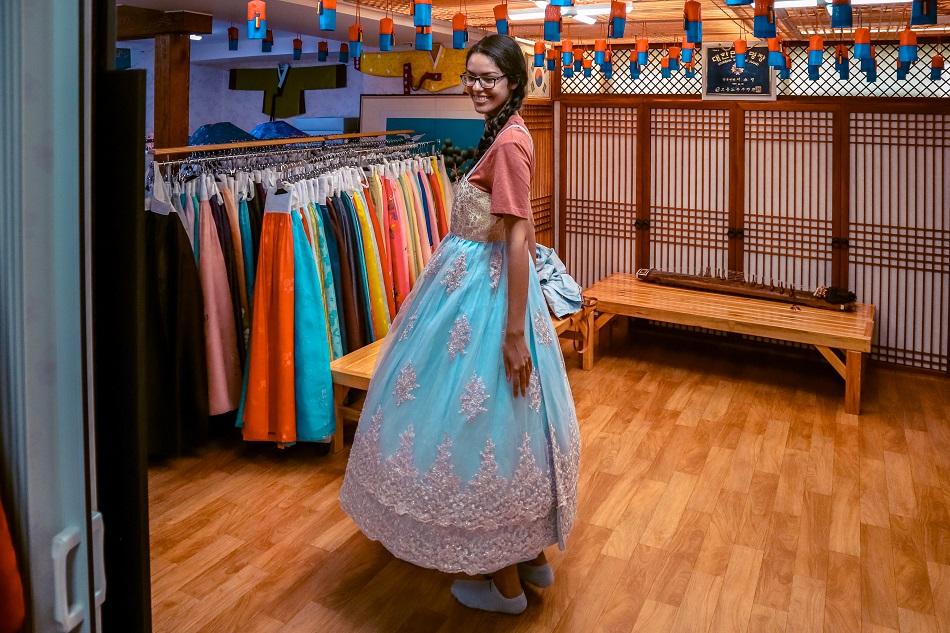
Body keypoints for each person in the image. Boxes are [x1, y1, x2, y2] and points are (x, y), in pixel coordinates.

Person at [339, 33, 580, 615]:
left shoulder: (513, 141)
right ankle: (527, 557)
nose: (475, 87)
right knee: (500, 423)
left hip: (485, 292)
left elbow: (521, 238)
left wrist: (516, 330)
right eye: (469, 76)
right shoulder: (505, 131)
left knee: (483, 426)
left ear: (513, 83)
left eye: (487, 79)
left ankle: (502, 585)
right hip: (471, 282)